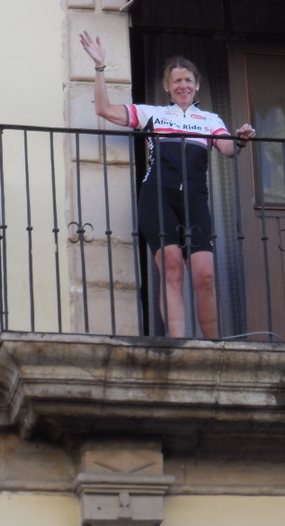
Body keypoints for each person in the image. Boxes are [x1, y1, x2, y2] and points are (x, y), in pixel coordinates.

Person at [79, 31, 255, 339]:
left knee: (206, 277)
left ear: (197, 85)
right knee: (172, 270)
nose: (183, 85)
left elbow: (228, 149)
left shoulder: (209, 119)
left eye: (188, 80)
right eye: (176, 81)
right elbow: (104, 109)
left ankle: (213, 348)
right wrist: (99, 67)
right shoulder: (152, 113)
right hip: (157, 196)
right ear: (167, 87)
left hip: (196, 200)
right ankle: (178, 346)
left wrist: (240, 138)